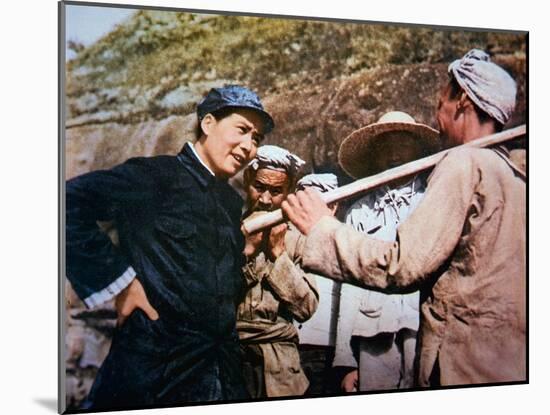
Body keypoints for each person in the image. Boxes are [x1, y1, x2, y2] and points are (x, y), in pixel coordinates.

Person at [282, 49, 526, 387]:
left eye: (440, 104)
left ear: (464, 102)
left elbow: (402, 265)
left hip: (463, 364)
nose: (438, 118)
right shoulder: (520, 174)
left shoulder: (464, 164)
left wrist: (322, 229)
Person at [66, 85, 274, 409]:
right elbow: (66, 203)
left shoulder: (230, 202)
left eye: (257, 138)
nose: (249, 146)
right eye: (243, 130)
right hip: (154, 373)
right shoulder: (154, 177)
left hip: (222, 373)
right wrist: (122, 282)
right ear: (208, 124)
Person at [334, 111, 439, 392]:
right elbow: (349, 286)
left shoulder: (434, 200)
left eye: (403, 144)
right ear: (373, 156)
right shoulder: (360, 212)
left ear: (417, 150)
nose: (394, 154)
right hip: (372, 332)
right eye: (385, 146)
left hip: (424, 327)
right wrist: (345, 359)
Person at [237, 145, 319, 398]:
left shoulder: (299, 239)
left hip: (281, 367)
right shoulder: (227, 231)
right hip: (230, 359)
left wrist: (278, 254)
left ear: (289, 192)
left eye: (275, 192)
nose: (264, 199)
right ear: (247, 181)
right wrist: (245, 252)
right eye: (259, 187)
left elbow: (306, 308)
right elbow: (205, 295)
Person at [293, 173, 342, 396]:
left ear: (332, 207)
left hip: (325, 347)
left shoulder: (343, 242)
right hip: (290, 346)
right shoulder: (286, 239)